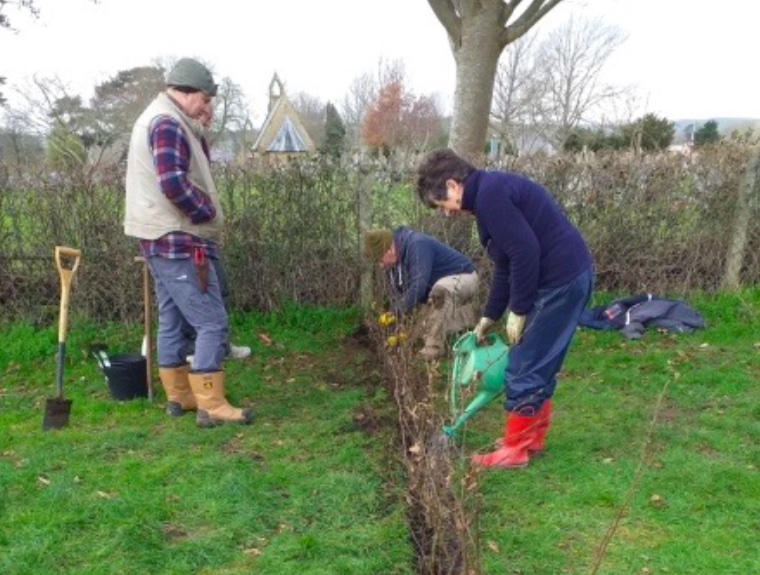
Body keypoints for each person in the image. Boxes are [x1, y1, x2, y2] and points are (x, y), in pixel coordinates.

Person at [415, 148, 594, 469]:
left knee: (526, 361)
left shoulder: (491, 197)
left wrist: (519, 310)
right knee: (539, 359)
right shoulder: (488, 196)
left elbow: (526, 252)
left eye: (441, 204)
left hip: (561, 281)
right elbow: (505, 264)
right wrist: (489, 316)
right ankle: (529, 439)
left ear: (454, 186)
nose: (445, 212)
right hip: (565, 277)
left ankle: (515, 450)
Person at [124, 57, 254, 427]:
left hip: (160, 238)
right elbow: (174, 184)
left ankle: (180, 397)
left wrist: (199, 129)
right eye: (205, 99)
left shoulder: (166, 119)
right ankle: (212, 403)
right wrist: (206, 213)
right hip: (179, 239)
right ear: (185, 92)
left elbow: (182, 168)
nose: (208, 107)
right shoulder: (167, 124)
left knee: (172, 319)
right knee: (212, 321)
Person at [182, 107, 251, 364]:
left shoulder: (200, 141)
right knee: (196, 293)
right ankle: (193, 350)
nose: (209, 117)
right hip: (189, 232)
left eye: (211, 113)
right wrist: (202, 212)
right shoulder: (181, 136)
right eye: (204, 112)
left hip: (206, 232)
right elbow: (175, 185)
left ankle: (220, 345)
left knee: (220, 287)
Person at [363, 225, 479, 360]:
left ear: (389, 250)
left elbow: (418, 286)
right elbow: (399, 296)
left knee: (439, 294)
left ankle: (433, 349)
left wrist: (396, 311)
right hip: (437, 292)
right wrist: (397, 322)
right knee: (420, 331)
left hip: (464, 278)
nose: (380, 266)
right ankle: (469, 315)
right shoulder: (393, 266)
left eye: (379, 260)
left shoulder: (417, 244)